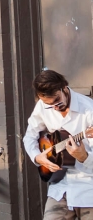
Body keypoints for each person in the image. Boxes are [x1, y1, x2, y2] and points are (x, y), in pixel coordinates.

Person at [23, 70, 93, 219]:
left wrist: (84, 157)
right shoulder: (43, 105)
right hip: (60, 185)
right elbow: (29, 136)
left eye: (57, 101)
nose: (54, 107)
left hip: (88, 188)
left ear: (64, 87)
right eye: (49, 105)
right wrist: (38, 157)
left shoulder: (88, 109)